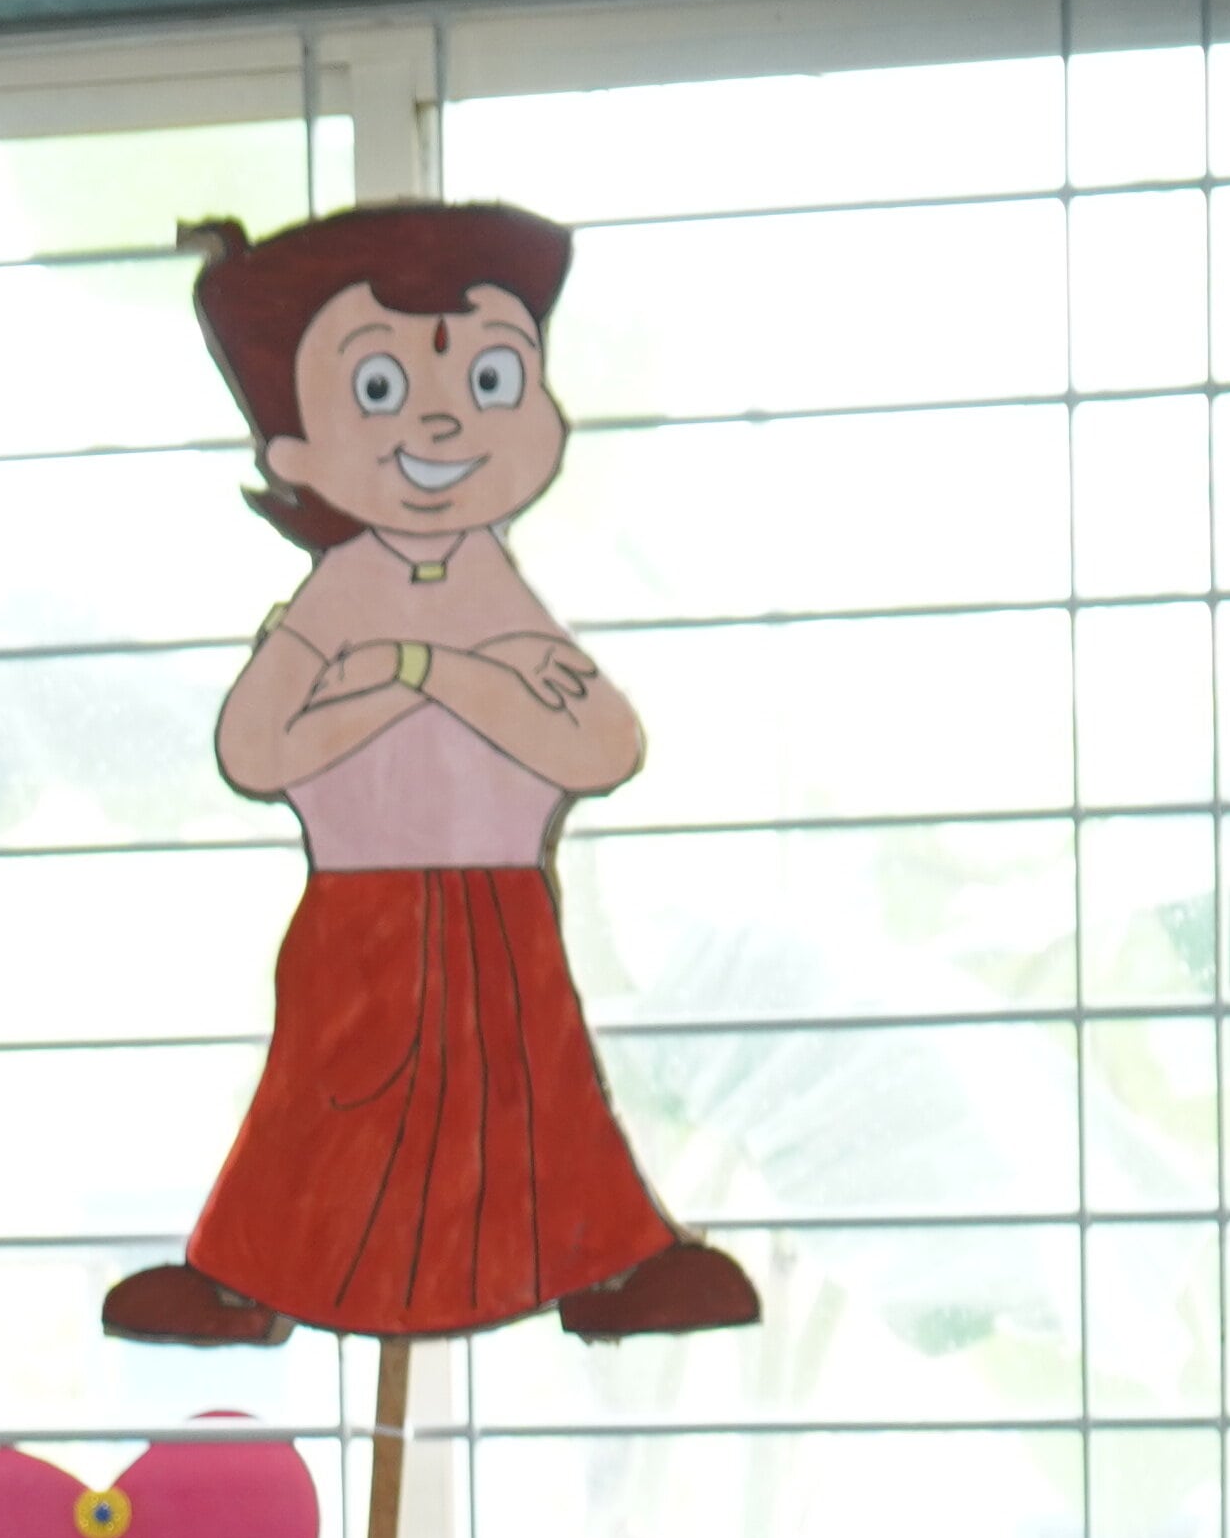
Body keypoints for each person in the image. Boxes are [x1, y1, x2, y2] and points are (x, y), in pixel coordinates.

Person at [105, 203, 756, 1355]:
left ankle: (606, 1259)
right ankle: (254, 1274)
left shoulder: (493, 587)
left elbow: (601, 743)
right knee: (329, 1105)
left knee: (533, 1102)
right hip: (363, 912)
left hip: (502, 903)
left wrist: (430, 672)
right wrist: (430, 681)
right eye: (380, 388)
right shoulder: (339, 596)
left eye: (490, 379)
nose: (444, 420)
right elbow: (258, 747)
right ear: (296, 455)